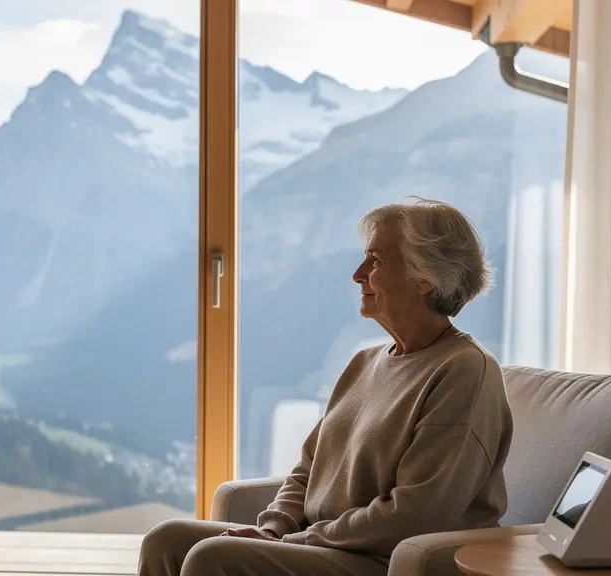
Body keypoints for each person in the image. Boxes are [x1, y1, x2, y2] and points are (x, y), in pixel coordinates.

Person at [138, 198, 514, 576]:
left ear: (425, 278)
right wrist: (273, 528)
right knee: (167, 539)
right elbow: (308, 469)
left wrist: (295, 542)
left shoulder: (464, 372)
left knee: (212, 558)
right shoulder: (365, 361)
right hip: (325, 546)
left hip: (385, 560)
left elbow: (414, 515)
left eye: (377, 261)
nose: (358, 273)